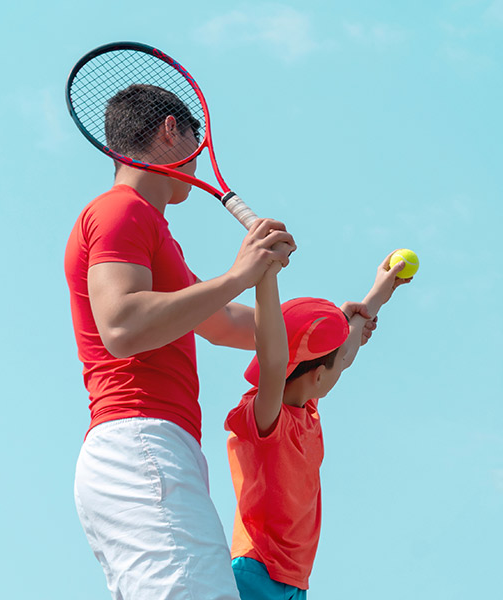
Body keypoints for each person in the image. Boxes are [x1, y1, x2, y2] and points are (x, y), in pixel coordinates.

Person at [65, 83, 296, 600]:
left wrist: (326, 323)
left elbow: (228, 325)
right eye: (195, 135)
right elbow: (123, 325)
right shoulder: (120, 211)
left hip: (151, 449)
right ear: (173, 129)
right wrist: (241, 273)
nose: (197, 159)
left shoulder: (152, 229)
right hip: (142, 443)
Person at [224, 251, 411, 598]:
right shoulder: (267, 415)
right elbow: (275, 358)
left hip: (293, 578)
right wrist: (267, 277)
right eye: (337, 364)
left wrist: (380, 292)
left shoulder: (305, 401)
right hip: (258, 570)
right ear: (318, 374)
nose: (345, 364)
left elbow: (344, 353)